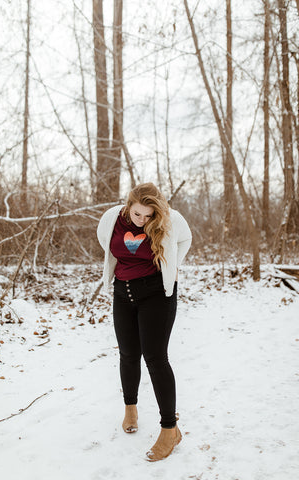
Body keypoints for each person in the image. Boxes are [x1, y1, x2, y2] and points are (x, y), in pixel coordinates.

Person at [96, 182, 192, 461]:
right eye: (138, 214)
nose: (142, 220)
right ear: (128, 206)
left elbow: (185, 240)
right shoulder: (111, 218)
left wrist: (173, 267)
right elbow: (107, 244)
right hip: (122, 292)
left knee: (155, 357)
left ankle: (169, 429)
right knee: (128, 354)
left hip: (156, 294)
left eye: (149, 216)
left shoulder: (171, 219)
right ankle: (130, 409)